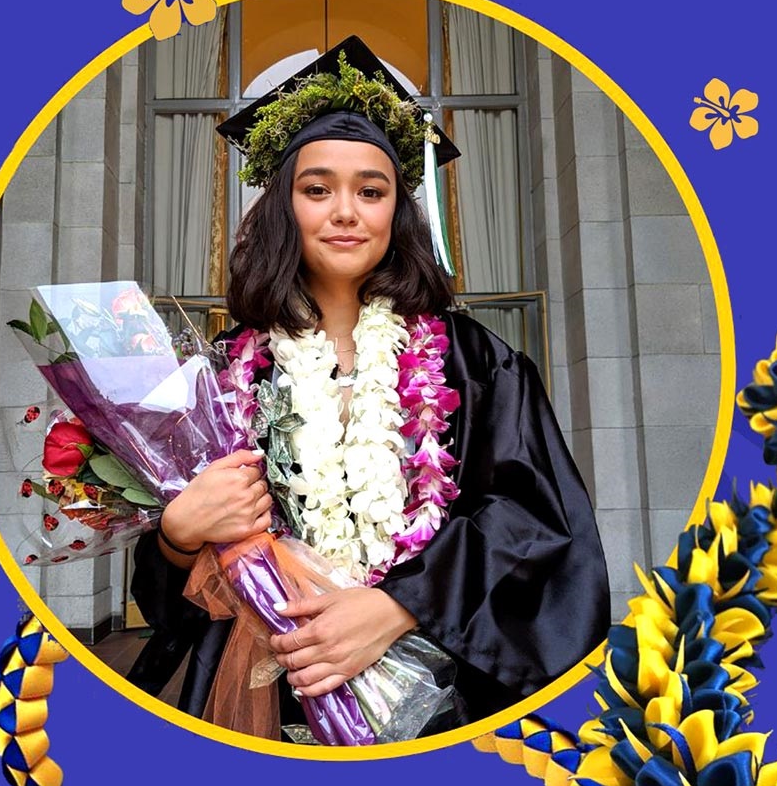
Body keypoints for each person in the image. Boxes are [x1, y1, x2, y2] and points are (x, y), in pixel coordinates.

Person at [126, 37, 609, 742]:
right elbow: (173, 599)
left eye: (371, 191)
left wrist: (400, 606)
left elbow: (539, 521)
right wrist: (176, 534)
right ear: (284, 207)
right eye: (317, 189)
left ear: (396, 211)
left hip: (445, 696)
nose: (346, 211)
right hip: (272, 692)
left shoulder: (475, 364)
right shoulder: (226, 374)